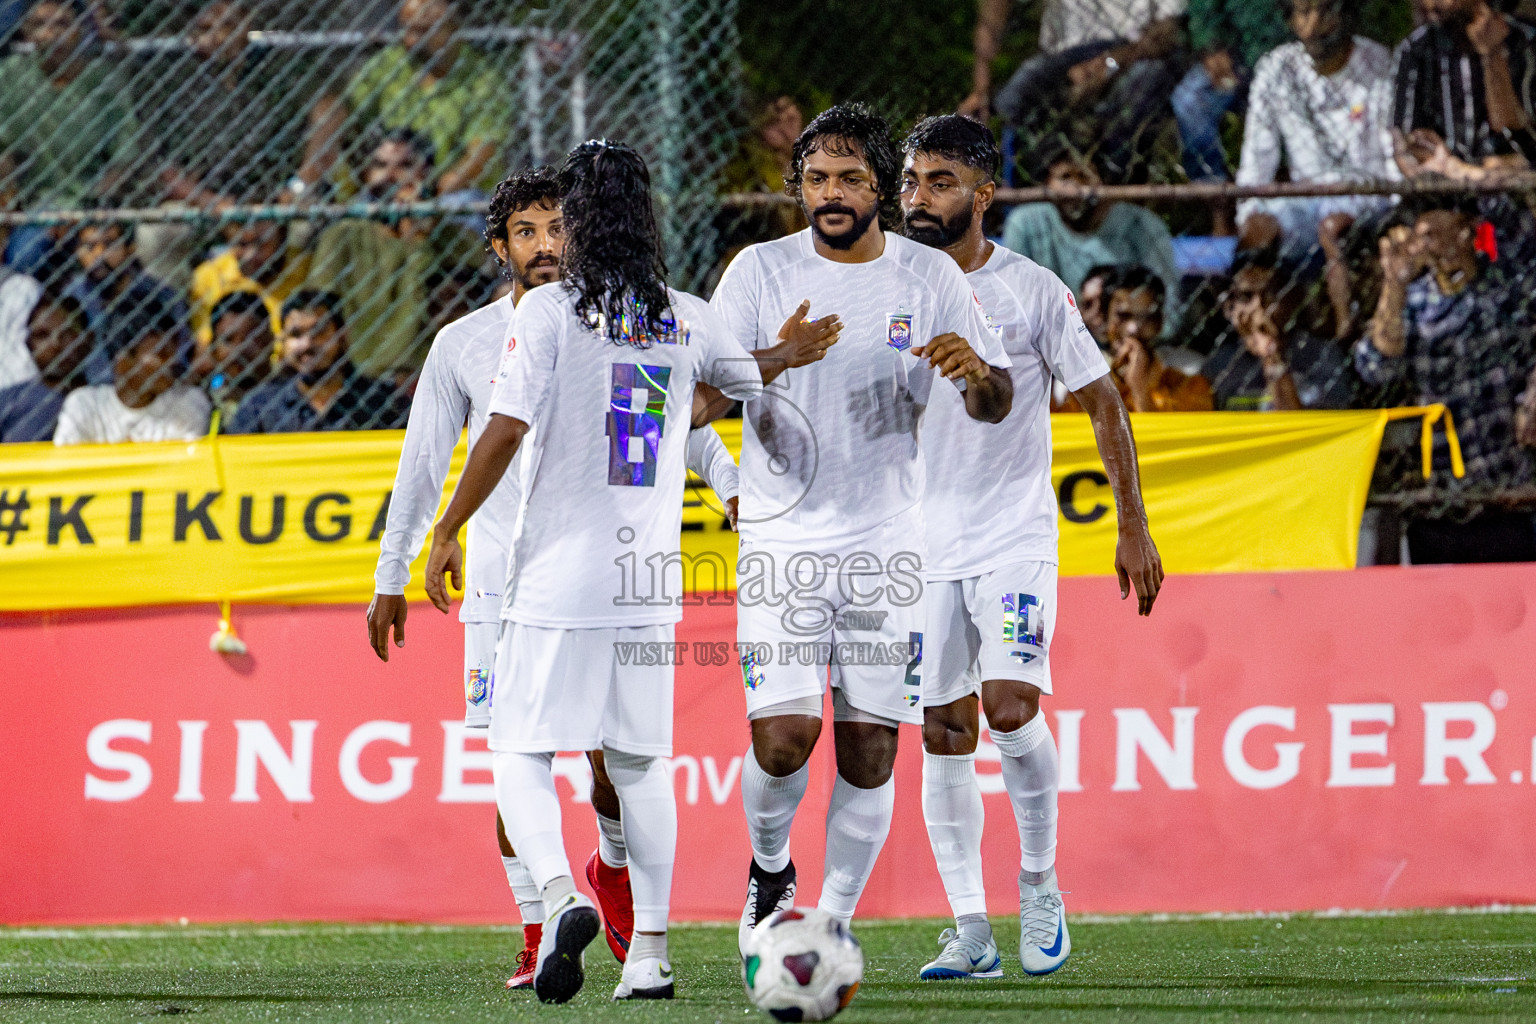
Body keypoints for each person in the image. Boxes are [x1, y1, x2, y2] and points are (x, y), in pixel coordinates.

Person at [366, 166, 742, 992]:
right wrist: (391, 571)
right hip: (519, 588)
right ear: (499, 247)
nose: (544, 246)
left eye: (556, 228)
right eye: (527, 233)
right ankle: (548, 929)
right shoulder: (463, 343)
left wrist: (731, 483)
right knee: (597, 759)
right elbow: (424, 462)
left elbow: (659, 426)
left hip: (550, 580)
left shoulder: (596, 323)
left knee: (559, 757)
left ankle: (594, 877)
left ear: (580, 230)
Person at [709, 103, 1012, 952]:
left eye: (850, 178)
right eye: (815, 179)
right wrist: (772, 360)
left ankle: (828, 924)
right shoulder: (759, 272)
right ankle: (771, 870)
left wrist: (976, 372)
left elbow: (997, 404)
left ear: (881, 185)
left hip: (887, 545)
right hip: (783, 542)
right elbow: (691, 401)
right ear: (796, 186)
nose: (831, 194)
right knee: (783, 740)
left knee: (871, 755)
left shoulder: (929, 277)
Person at [899, 115, 1162, 980]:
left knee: (1009, 708)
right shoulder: (885, 291)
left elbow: (1102, 402)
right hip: (919, 545)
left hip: (1011, 535)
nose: (917, 197)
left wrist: (1132, 523)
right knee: (943, 730)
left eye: (939, 181)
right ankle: (971, 930)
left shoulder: (1034, 290)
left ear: (982, 194)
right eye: (910, 180)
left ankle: (1040, 885)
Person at [1359, 196, 1536, 561]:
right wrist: (1393, 283)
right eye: (1427, 237)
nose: (1440, 246)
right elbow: (1376, 367)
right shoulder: (1413, 303)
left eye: (1446, 232)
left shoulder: (1507, 287)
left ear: (1468, 230)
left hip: (1512, 490)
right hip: (1442, 498)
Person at [1236, 0, 1398, 337]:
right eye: (1302, 12)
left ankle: (1346, 335)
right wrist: (1250, 215)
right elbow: (1257, 159)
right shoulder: (1276, 69)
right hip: (1305, 196)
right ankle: (1265, 340)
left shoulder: (1379, 66)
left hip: (1368, 193)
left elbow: (1391, 159)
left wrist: (1396, 211)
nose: (1312, 27)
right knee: (1259, 231)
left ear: (1346, 15)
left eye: (1324, 12)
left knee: (1332, 227)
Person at [304, 129, 480, 381]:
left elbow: (437, 315)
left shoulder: (458, 240)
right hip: (356, 378)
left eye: (405, 165)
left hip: (433, 375)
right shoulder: (341, 237)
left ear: (426, 173)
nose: (390, 175)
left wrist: (418, 241)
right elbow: (318, 312)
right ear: (366, 175)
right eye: (380, 165)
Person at [306, 0, 512, 199]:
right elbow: (340, 107)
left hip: (451, 195)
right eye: (406, 29)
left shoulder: (482, 80)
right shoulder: (390, 63)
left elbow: (482, 152)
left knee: (461, 202)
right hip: (386, 187)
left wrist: (428, 199)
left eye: (423, 30)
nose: (411, 40)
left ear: (453, 27)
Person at [963, 0, 1186, 183]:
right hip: (1066, 56)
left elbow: (1170, 29)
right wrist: (980, 87)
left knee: (1132, 96)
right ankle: (1016, 204)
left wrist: (1109, 63)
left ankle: (1116, 197)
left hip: (1142, 53)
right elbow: (993, 11)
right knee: (1010, 101)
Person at [0, 0, 139, 272]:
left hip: (96, 205)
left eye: (62, 24)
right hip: (37, 206)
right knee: (23, 255)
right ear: (26, 32)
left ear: (79, 29)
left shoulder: (103, 80)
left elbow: (124, 158)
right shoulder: (11, 76)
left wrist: (85, 211)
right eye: (40, 25)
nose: (51, 35)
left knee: (105, 258)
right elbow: (5, 154)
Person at [1002, 151, 1182, 333]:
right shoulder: (1027, 224)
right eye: (1065, 177)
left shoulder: (1140, 225)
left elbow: (1169, 311)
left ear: (1103, 181)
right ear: (1047, 183)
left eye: (1084, 176)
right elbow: (1015, 306)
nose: (1075, 188)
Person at [1204, 246, 1361, 410]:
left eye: (1270, 293)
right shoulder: (1219, 365)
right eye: (1246, 297)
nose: (1260, 306)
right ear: (1230, 308)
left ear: (1290, 298)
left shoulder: (1322, 355)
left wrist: (1272, 355)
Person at [227, 290, 406, 433]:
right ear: (282, 343)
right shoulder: (259, 407)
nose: (307, 344)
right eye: (296, 335)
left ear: (342, 335)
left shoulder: (384, 401)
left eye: (319, 332)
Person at [1392, 0, 1536, 174]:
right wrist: (1462, 171)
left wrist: (1492, 54)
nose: (1431, 4)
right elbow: (1409, 146)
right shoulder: (1417, 49)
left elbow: (1517, 133)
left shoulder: (1525, 41)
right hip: (1447, 186)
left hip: (1517, 186)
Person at [54, 294, 210, 444]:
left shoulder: (188, 403)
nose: (173, 362)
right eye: (160, 354)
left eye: (173, 352)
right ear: (123, 362)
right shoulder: (85, 406)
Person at [1061, 266, 1213, 412]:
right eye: (1123, 316)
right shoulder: (1083, 386)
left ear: (1159, 323)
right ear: (1105, 319)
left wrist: (1140, 391)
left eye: (1147, 318)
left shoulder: (1188, 384)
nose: (1133, 328)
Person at [63, 217, 187, 384]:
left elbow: (179, 358)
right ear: (77, 251)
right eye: (90, 246)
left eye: (109, 245)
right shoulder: (73, 294)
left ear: (131, 249)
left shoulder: (162, 295)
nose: (99, 255)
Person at [189, 218, 311, 346]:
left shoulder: (305, 267)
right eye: (242, 244)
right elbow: (205, 345)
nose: (251, 255)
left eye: (261, 243)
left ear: (281, 238)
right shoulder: (208, 275)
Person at [0, 286, 93, 440]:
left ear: (88, 339)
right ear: (29, 344)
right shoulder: (8, 401)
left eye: (67, 332)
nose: (55, 344)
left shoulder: (107, 400)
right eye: (42, 335)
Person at [198, 292, 276, 426]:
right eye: (228, 340)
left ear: (270, 341)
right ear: (213, 349)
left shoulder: (292, 393)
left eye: (252, 338)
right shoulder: (203, 400)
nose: (239, 350)